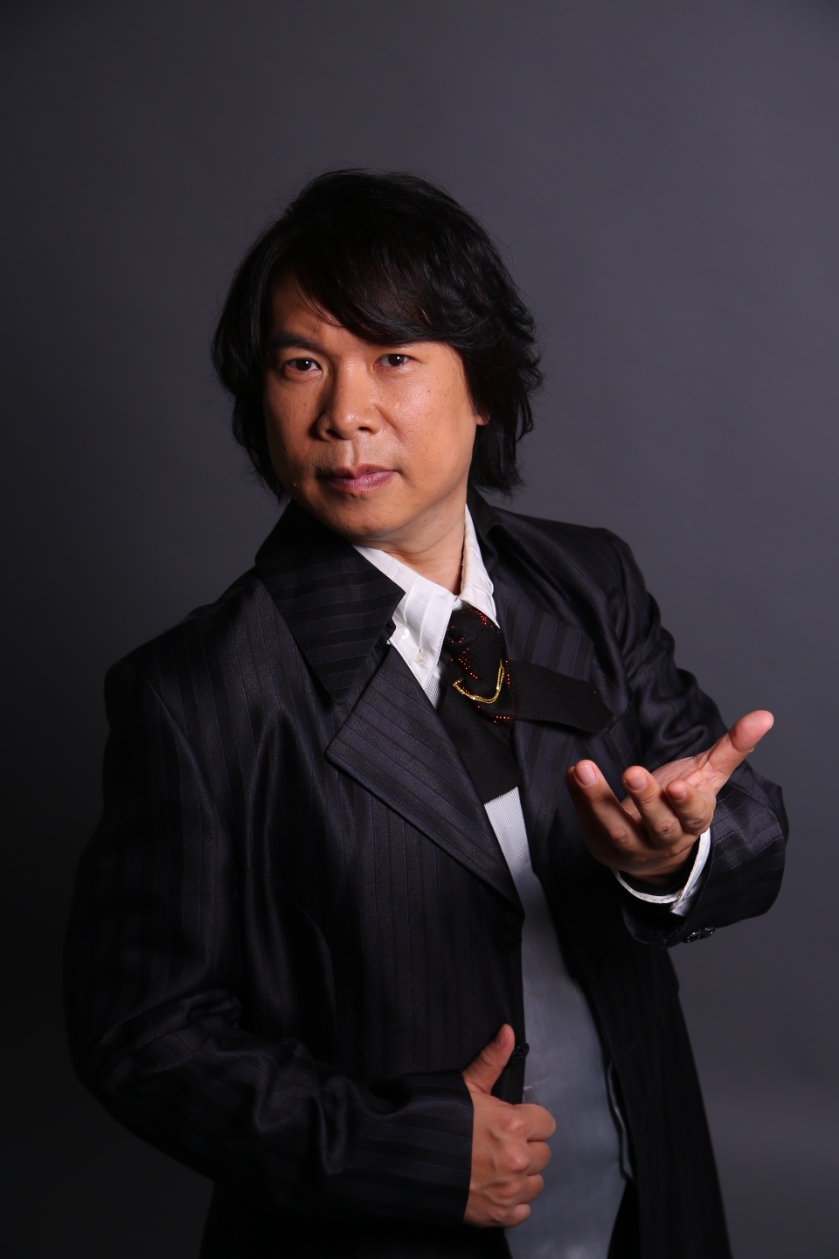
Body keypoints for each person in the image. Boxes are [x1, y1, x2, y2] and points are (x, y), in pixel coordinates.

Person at [64, 170, 787, 1259]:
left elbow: (739, 821)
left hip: (643, 1198)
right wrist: (392, 1147)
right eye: (302, 363)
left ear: (482, 385)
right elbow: (141, 1033)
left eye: (392, 356)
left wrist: (671, 858)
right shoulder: (195, 692)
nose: (344, 413)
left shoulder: (589, 582)